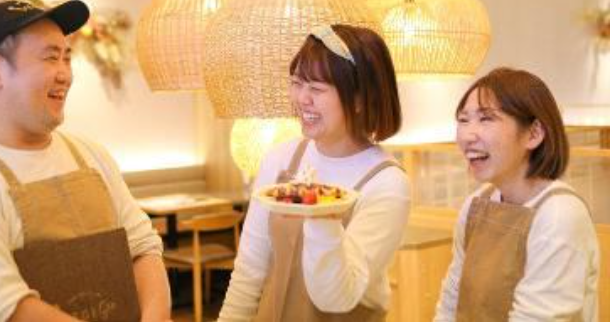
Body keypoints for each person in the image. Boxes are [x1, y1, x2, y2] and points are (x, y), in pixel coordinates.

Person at [0, 0, 172, 322]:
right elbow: (3, 308)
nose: (65, 75)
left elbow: (143, 248)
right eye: (50, 58)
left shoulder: (90, 154)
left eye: (66, 58)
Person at [218, 24, 411, 322]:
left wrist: (322, 212)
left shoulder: (387, 183)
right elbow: (249, 270)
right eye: (297, 83)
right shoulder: (281, 159)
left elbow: (337, 296)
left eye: (317, 89)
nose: (302, 98)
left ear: (359, 99)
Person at [434, 67, 600, 321]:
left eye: (486, 119)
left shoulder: (559, 215)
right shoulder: (475, 205)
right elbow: (451, 301)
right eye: (464, 120)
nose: (467, 135)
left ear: (534, 134)